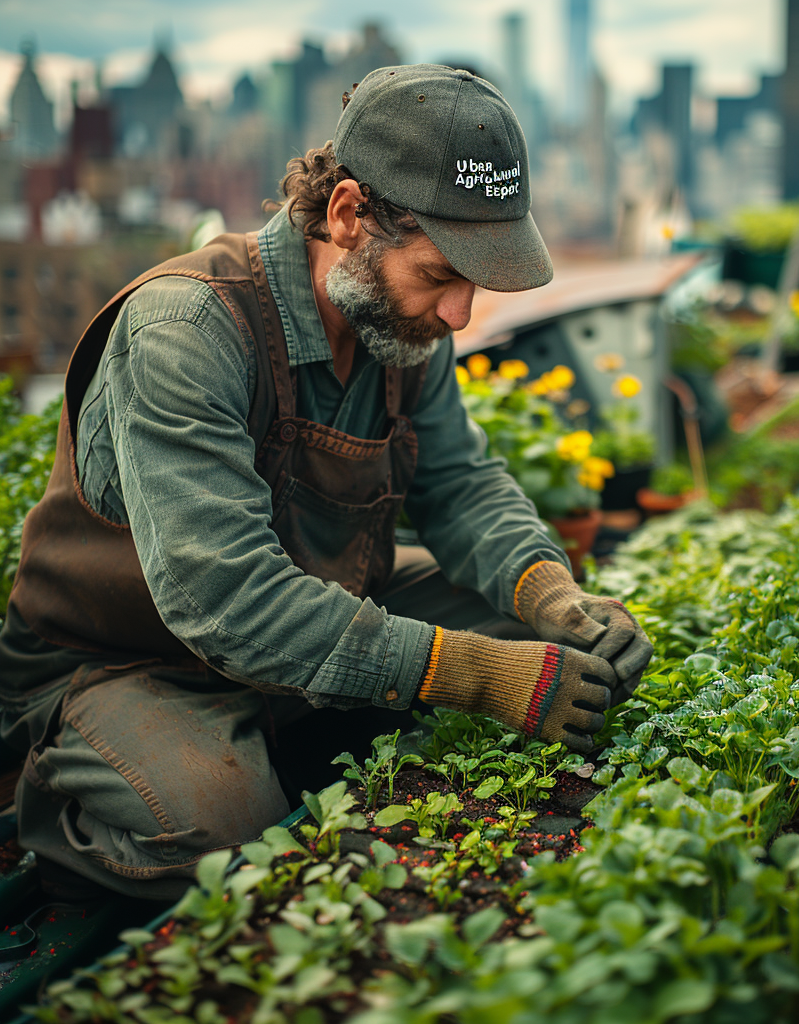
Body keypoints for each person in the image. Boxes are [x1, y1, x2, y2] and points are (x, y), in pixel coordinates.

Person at [0, 64, 652, 901]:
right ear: (348, 216)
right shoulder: (187, 328)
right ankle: (61, 784)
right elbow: (225, 599)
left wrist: (555, 598)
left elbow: (461, 486)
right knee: (220, 832)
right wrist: (474, 674)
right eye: (441, 275)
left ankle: (294, 729)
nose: (460, 315)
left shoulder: (402, 326)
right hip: (131, 660)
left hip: (325, 605)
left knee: (556, 647)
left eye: (473, 283)